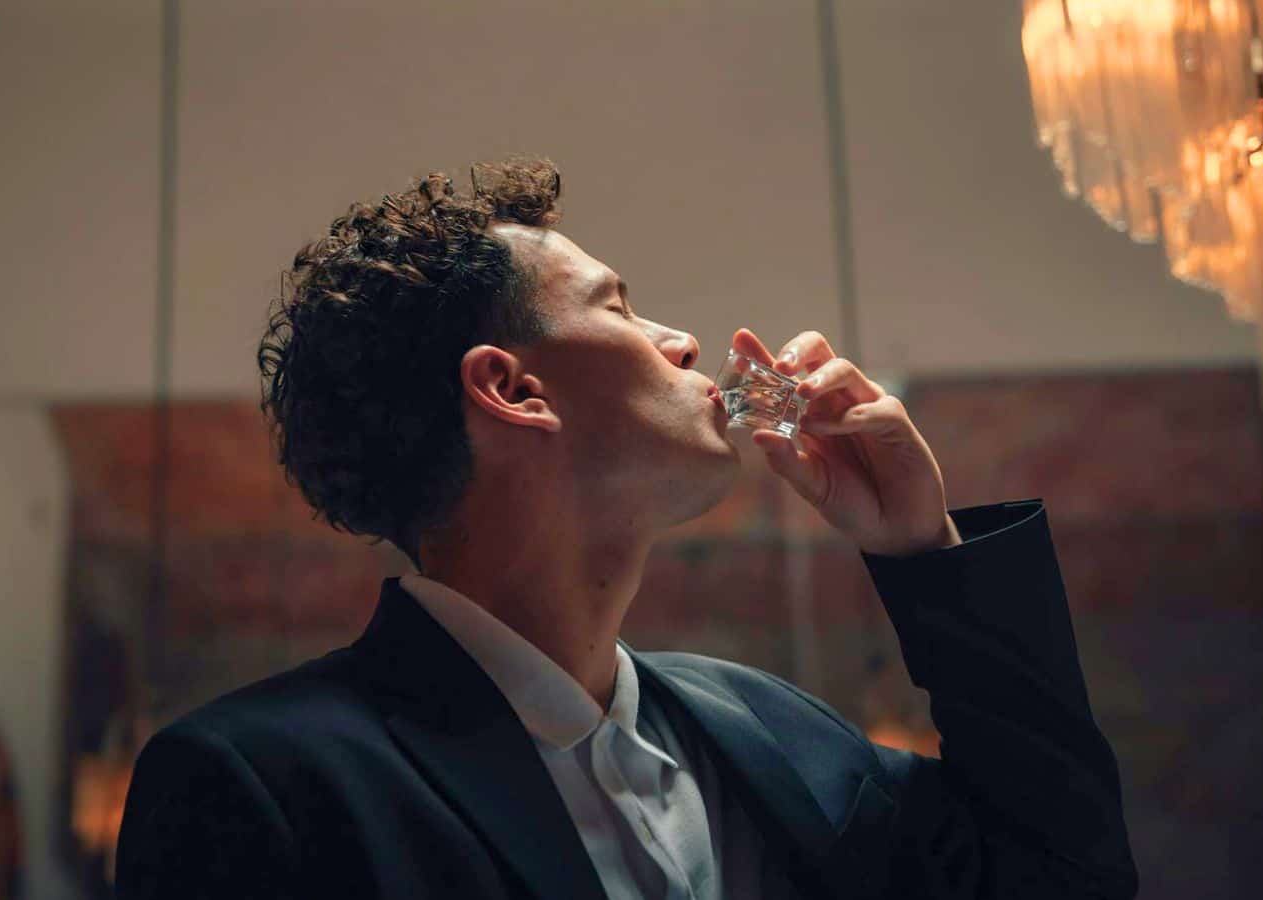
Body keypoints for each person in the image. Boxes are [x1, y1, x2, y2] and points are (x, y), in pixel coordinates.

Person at [114, 155, 1138, 899]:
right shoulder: (259, 784)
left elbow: (1062, 880)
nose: (682, 341)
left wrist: (923, 552)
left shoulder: (768, 727)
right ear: (513, 389)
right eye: (617, 307)